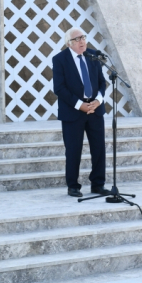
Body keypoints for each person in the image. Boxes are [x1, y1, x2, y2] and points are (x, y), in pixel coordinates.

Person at [52, 27, 110, 198]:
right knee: (73, 150)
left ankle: (98, 185)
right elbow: (59, 88)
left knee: (98, 149)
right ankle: (73, 186)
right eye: (77, 39)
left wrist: (98, 101)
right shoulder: (60, 59)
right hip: (73, 112)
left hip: (95, 110)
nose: (82, 41)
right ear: (69, 43)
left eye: (83, 37)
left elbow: (102, 83)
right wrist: (80, 105)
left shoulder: (93, 56)